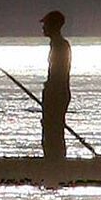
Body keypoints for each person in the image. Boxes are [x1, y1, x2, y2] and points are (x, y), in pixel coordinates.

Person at [40, 10, 72, 161]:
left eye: (45, 24)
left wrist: (50, 92)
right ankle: (53, 158)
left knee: (53, 128)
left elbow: (58, 73)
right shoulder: (57, 45)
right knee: (52, 126)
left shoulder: (61, 46)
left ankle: (55, 160)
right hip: (56, 92)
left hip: (57, 93)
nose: (43, 27)